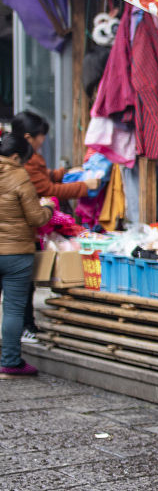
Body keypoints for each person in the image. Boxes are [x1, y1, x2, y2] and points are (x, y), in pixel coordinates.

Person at [11, 111, 99, 345]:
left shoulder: (17, 165)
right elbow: (41, 201)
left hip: (13, 244)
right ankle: (19, 342)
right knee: (19, 295)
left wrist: (62, 175)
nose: (42, 141)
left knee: (15, 297)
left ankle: (14, 348)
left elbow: (43, 180)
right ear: (28, 138)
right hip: (17, 245)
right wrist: (50, 208)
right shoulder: (20, 170)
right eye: (40, 136)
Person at [0, 129, 53, 377]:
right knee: (12, 309)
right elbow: (35, 217)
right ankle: (10, 362)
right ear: (15, 156)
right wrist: (50, 208)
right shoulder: (19, 175)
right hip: (16, 254)